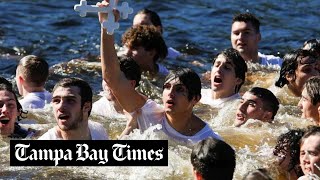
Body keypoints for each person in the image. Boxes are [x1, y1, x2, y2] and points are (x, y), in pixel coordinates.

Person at [97, 1, 221, 145]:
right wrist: (106, 27)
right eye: (167, 87)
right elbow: (112, 78)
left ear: (195, 99)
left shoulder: (208, 140)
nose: (170, 93)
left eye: (179, 89)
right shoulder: (148, 113)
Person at [38, 77, 108, 140]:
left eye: (70, 101)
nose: (60, 107)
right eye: (56, 101)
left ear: (86, 107)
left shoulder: (98, 131)